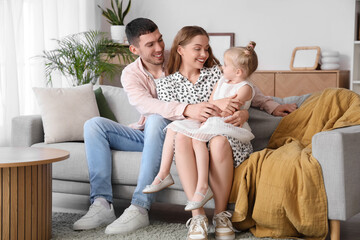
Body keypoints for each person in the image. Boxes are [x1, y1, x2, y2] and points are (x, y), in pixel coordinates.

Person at [73, 18, 296, 236]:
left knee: (162, 123)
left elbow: (237, 82)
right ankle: (101, 204)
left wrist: (268, 106)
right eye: (150, 45)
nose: (159, 48)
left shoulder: (186, 56)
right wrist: (190, 108)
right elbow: (148, 105)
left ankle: (142, 206)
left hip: (187, 131)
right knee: (97, 125)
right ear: (134, 49)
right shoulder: (132, 74)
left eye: (160, 40)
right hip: (158, 133)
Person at [143, 42, 259, 216]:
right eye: (197, 48)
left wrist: (243, 113)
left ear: (238, 72)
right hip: (212, 120)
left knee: (198, 138)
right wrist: (210, 107)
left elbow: (228, 109)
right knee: (174, 129)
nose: (221, 67)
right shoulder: (221, 80)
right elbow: (214, 102)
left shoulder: (242, 87)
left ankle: (203, 187)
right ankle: (164, 173)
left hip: (226, 124)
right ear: (181, 50)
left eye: (225, 65)